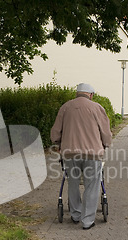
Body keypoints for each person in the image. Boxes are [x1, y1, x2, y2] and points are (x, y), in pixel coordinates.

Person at [50, 83, 112, 230]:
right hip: (92, 154)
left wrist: (57, 143)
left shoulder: (65, 107)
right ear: (91, 95)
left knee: (73, 183)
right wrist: (106, 144)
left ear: (77, 94)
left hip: (70, 153)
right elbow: (106, 132)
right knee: (92, 185)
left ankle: (75, 215)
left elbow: (55, 131)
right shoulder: (97, 108)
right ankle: (87, 221)